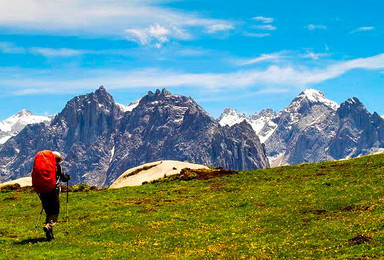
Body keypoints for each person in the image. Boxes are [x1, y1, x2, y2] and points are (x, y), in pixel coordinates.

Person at [37, 151, 70, 241]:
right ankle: (49, 225)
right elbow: (63, 178)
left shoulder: (43, 166)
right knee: (55, 211)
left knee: (48, 210)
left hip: (42, 191)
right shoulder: (57, 166)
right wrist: (67, 177)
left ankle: (49, 233)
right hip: (53, 191)